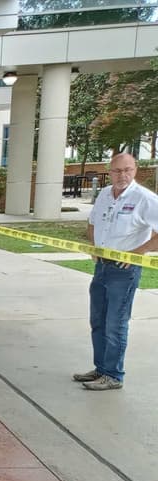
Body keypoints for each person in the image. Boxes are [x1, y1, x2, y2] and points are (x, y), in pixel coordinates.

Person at [73, 153, 158, 391]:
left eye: (127, 170)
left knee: (115, 323)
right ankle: (101, 369)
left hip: (124, 272)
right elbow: (92, 224)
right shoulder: (104, 194)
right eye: (117, 171)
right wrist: (94, 246)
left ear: (135, 170)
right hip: (102, 267)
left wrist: (139, 252)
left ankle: (113, 375)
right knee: (98, 321)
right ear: (109, 171)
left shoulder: (144, 199)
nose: (123, 175)